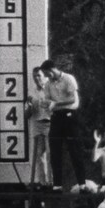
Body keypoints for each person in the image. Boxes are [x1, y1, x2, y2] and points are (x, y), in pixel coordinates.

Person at [40, 59, 87, 191]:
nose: (46, 76)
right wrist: (47, 103)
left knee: (75, 151)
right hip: (56, 117)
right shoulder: (48, 84)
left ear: (52, 70)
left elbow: (72, 98)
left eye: (47, 73)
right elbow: (48, 100)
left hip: (69, 116)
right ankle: (57, 185)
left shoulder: (68, 79)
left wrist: (56, 103)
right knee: (55, 152)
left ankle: (82, 183)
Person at [25, 66, 52, 187]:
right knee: (39, 155)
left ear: (44, 76)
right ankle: (43, 182)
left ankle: (52, 182)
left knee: (50, 154)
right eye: (34, 76)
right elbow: (27, 115)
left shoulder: (51, 87)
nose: (36, 78)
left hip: (49, 123)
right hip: (37, 123)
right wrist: (30, 106)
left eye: (39, 75)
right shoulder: (31, 92)